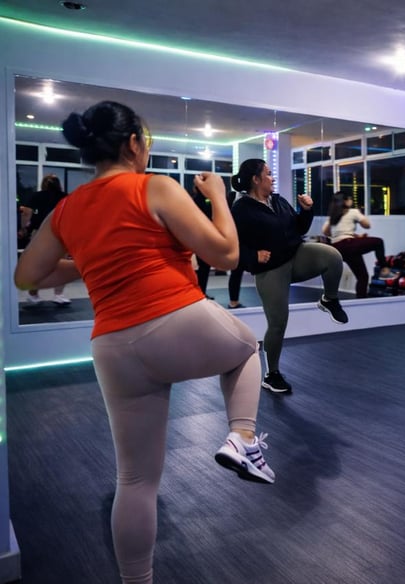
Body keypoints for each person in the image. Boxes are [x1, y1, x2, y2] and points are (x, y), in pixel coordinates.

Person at [14, 101, 274, 584]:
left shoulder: (67, 209)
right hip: (174, 316)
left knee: (134, 480)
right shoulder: (154, 186)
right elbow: (227, 253)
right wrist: (219, 196)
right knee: (246, 350)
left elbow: (27, 277)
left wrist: (91, 260)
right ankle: (242, 438)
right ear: (133, 143)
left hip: (113, 347)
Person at [231, 158, 348, 393]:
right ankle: (271, 374)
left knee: (332, 257)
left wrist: (306, 210)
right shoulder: (241, 209)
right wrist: (253, 256)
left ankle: (329, 299)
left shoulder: (278, 200)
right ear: (256, 179)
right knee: (278, 324)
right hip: (271, 269)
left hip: (296, 255)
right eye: (268, 174)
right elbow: (232, 243)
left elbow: (298, 228)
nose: (272, 178)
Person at [322, 191, 391, 298]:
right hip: (349, 245)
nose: (351, 201)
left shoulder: (333, 215)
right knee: (378, 242)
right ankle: (384, 269)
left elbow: (325, 231)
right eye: (350, 199)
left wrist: (353, 236)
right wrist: (360, 215)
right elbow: (367, 225)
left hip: (338, 250)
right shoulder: (353, 212)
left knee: (363, 276)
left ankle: (360, 300)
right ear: (345, 201)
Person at [25, 174, 71, 305]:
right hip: (59, 232)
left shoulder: (37, 196)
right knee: (62, 264)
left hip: (40, 232)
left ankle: (33, 295)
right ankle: (59, 295)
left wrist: (24, 227)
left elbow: (27, 212)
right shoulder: (65, 197)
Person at [190, 185, 215, 299]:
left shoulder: (200, 201)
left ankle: (201, 293)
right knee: (203, 268)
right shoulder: (203, 201)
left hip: (200, 238)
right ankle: (200, 293)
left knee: (203, 268)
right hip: (202, 239)